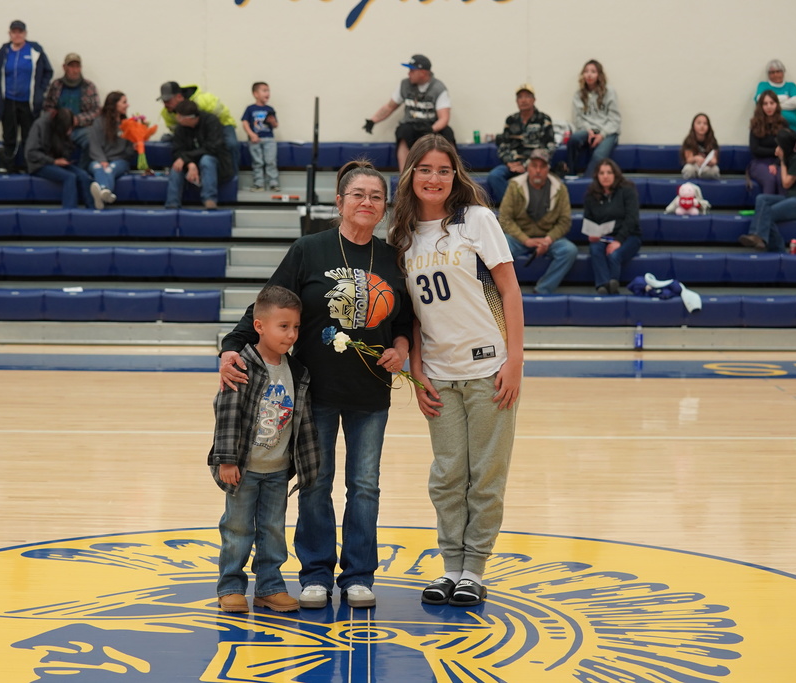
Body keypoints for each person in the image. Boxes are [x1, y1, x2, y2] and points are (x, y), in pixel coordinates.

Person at [219, 160, 413, 610]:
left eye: (376, 196)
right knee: (315, 482)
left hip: (370, 392)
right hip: (313, 392)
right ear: (340, 201)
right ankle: (316, 574)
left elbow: (404, 323)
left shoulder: (390, 257)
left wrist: (401, 349)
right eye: (358, 195)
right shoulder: (309, 249)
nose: (367, 202)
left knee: (365, 485)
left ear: (385, 207)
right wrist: (232, 344)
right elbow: (268, 303)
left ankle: (359, 575)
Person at [388, 134, 523, 608]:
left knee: (485, 475)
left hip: (490, 369)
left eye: (444, 170)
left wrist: (515, 362)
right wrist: (418, 371)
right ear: (411, 175)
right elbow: (414, 315)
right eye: (425, 169)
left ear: (455, 175)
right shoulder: (401, 235)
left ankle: (475, 570)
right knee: (447, 475)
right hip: (440, 375)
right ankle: (450, 568)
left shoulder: (477, 220)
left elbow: (510, 291)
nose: (434, 178)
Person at [209, 284, 321, 614]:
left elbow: (302, 424)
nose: (291, 334)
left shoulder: (297, 372)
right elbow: (227, 414)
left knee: (272, 531)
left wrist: (305, 465)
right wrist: (226, 460)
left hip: (276, 470)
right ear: (259, 326)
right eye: (283, 326)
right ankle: (230, 585)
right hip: (242, 469)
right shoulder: (241, 366)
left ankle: (269, 586)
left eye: (296, 327)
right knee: (238, 528)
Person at [498, 149, 577, 294]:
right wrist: (525, 240)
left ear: (548, 169)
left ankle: (542, 290)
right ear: (528, 167)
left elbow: (565, 221)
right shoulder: (515, 186)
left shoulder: (560, 188)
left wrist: (548, 239)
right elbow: (505, 218)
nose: (538, 170)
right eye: (534, 166)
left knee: (569, 250)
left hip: (547, 238)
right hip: (519, 237)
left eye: (542, 166)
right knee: (500, 248)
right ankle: (506, 291)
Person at [364, 54, 454, 172]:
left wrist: (431, 130)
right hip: (411, 125)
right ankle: (405, 175)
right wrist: (373, 120)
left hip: (431, 126)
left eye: (412, 70)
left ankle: (452, 173)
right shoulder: (405, 85)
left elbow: (444, 118)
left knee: (448, 133)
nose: (408, 74)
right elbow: (390, 106)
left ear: (422, 72)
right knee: (403, 132)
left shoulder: (438, 88)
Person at [0, 20, 54, 174]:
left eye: (20, 32)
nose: (17, 35)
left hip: (28, 103)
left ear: (25, 34)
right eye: (14, 32)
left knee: (29, 136)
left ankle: (28, 166)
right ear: (10, 34)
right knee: (9, 136)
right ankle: (8, 167)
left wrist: (40, 91)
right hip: (8, 101)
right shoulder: (4, 51)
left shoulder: (35, 50)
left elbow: (47, 71)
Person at [739, 128, 796, 253]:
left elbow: (786, 183)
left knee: (769, 213)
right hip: (792, 197)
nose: (777, 148)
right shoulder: (792, 156)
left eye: (779, 145)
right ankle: (756, 235)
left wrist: (782, 160)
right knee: (762, 198)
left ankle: (777, 248)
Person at [488, 84, 556, 205]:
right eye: (520, 97)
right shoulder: (511, 120)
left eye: (527, 96)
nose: (523, 100)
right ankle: (515, 207)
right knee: (494, 176)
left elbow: (549, 147)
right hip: (512, 164)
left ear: (534, 100)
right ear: (516, 101)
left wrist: (527, 165)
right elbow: (503, 145)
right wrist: (509, 162)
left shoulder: (544, 119)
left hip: (535, 165)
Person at [583, 159, 641, 294]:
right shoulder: (591, 195)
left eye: (609, 172)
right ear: (597, 176)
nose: (605, 176)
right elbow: (588, 218)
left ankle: (612, 284)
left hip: (628, 236)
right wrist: (591, 233)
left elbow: (632, 219)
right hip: (603, 236)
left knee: (614, 255)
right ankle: (603, 286)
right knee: (595, 249)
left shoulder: (627, 190)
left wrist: (618, 240)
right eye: (602, 173)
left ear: (615, 174)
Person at [165, 100, 235, 210]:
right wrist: (190, 164)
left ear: (189, 118)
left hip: (217, 163)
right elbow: (177, 151)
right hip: (191, 162)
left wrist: (186, 158)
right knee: (176, 167)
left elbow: (213, 147)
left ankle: (209, 200)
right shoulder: (180, 128)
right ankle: (172, 205)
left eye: (179, 116)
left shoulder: (211, 121)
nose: (177, 118)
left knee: (206, 160)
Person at [158, 81, 240, 175]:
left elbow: (220, 117)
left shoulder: (202, 100)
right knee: (167, 141)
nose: (165, 105)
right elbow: (178, 132)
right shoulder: (166, 113)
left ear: (179, 97)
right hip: (191, 131)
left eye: (168, 101)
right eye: (163, 102)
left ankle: (233, 175)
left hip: (222, 124)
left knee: (231, 144)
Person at [26, 108, 95, 209]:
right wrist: (53, 161)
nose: (70, 131)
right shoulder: (40, 125)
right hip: (40, 164)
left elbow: (65, 149)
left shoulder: (63, 129)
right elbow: (31, 153)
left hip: (57, 161)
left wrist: (65, 153)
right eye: (68, 129)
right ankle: (69, 213)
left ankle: (92, 210)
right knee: (70, 177)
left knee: (83, 175)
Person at [43, 54, 100, 166]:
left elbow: (96, 111)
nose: (75, 70)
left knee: (92, 141)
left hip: (80, 129)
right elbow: (47, 107)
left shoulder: (89, 86)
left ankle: (82, 171)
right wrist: (58, 119)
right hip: (58, 129)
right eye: (71, 67)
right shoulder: (56, 85)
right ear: (64, 67)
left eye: (77, 67)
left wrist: (77, 120)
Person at [567, 59, 620, 177]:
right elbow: (578, 119)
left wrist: (602, 134)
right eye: (586, 71)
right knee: (574, 139)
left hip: (608, 131)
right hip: (588, 130)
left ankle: (585, 183)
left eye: (593, 71)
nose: (589, 74)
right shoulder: (579, 94)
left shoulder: (609, 92)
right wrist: (588, 130)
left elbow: (615, 119)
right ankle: (571, 175)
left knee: (598, 155)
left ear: (599, 75)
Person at [87, 91, 132, 210]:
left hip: (120, 161)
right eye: (124, 102)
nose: (127, 105)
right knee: (97, 167)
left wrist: (136, 147)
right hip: (99, 159)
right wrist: (102, 160)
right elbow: (94, 145)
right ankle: (104, 194)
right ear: (114, 105)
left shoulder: (127, 124)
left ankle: (101, 192)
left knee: (109, 169)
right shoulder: (99, 122)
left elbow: (129, 150)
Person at [241, 82, 280, 192]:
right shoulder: (250, 109)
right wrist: (251, 134)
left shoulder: (270, 109)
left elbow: (276, 125)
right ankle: (259, 184)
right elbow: (245, 122)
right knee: (257, 162)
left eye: (268, 91)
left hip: (269, 139)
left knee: (271, 161)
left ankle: (273, 183)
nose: (267, 93)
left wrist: (273, 122)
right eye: (264, 90)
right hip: (255, 140)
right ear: (255, 94)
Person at [748, 90, 788, 195]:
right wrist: (775, 151)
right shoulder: (755, 124)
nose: (769, 107)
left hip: (780, 162)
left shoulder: (783, 123)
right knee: (770, 180)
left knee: (782, 180)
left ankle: (782, 210)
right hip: (759, 162)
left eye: (772, 103)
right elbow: (755, 149)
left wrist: (775, 163)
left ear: (776, 105)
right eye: (765, 104)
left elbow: (786, 149)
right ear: (761, 106)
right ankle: (766, 210)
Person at [681, 113, 720, 180]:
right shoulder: (689, 140)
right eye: (699, 123)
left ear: (708, 126)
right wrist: (696, 158)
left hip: (706, 167)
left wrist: (711, 161)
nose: (702, 126)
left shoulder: (712, 140)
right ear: (693, 126)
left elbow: (714, 159)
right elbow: (688, 159)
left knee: (715, 170)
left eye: (705, 124)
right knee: (688, 169)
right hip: (694, 166)